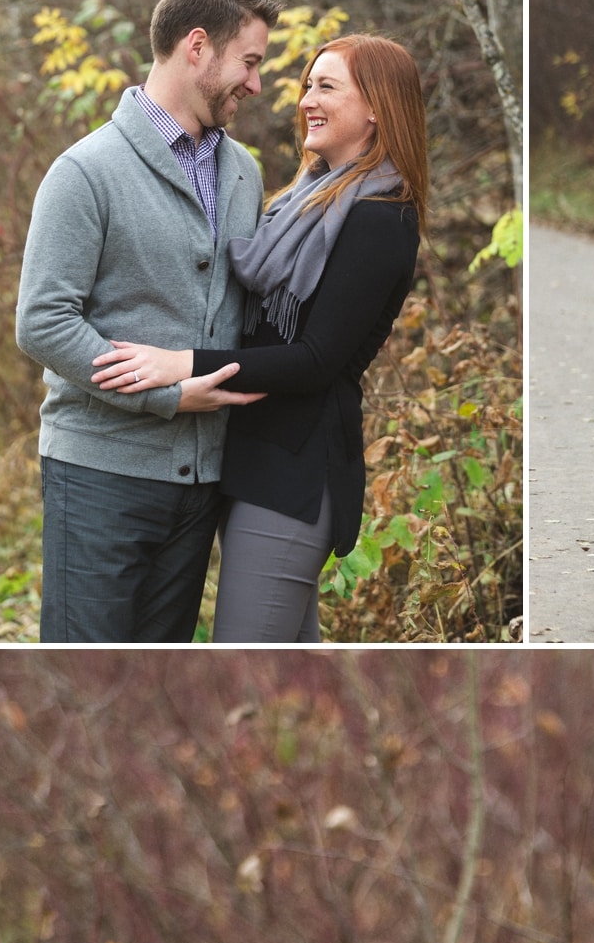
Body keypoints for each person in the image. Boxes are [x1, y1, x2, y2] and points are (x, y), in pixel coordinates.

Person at [91, 35, 425, 644]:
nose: (306, 101)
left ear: (376, 107)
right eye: (307, 86)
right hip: (256, 460)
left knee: (244, 661)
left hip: (296, 471)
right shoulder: (302, 206)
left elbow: (315, 361)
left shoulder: (381, 219)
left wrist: (180, 364)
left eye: (327, 87)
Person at [16, 0, 277, 643]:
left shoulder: (244, 172)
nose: (255, 83)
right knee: (87, 674)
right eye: (248, 62)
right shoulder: (85, 172)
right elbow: (44, 321)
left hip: (201, 485)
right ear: (197, 48)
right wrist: (166, 395)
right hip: (99, 473)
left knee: (162, 675)